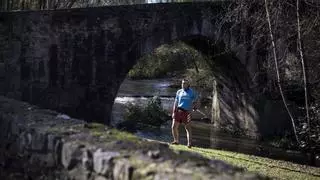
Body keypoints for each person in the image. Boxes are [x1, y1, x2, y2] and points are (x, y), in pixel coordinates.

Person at [171, 79, 199, 148]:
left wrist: (195, 106)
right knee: (174, 127)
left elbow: (197, 100)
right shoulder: (179, 92)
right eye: (182, 83)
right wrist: (174, 112)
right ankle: (176, 141)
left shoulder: (192, 92)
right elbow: (176, 103)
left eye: (185, 83)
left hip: (187, 112)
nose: (183, 85)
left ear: (188, 84)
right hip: (178, 111)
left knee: (188, 128)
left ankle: (189, 144)